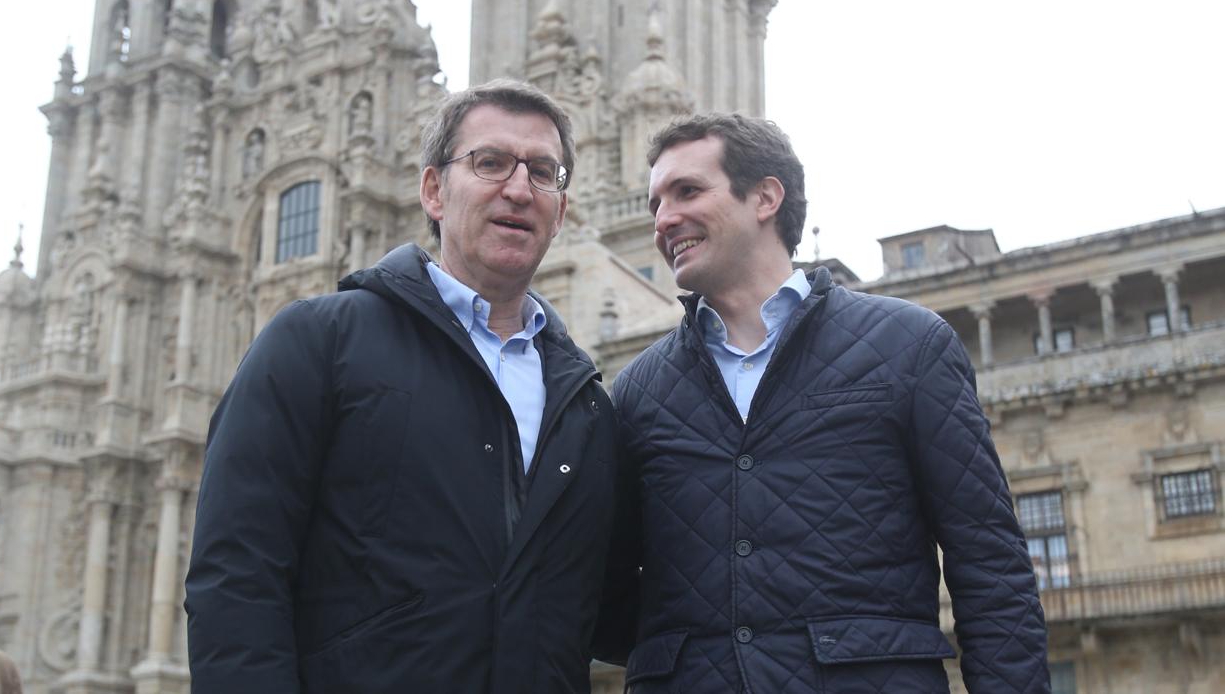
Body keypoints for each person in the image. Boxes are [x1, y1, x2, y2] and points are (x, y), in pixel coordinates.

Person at [186, 79, 619, 694]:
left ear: (562, 209)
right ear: (433, 191)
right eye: (490, 163)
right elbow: (236, 575)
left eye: (543, 172)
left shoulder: (586, 404)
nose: (519, 189)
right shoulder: (317, 341)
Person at [595, 114, 1051, 693]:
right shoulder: (638, 390)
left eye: (687, 191)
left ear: (765, 197)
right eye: (655, 201)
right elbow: (607, 586)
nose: (664, 218)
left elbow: (990, 565)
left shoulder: (907, 346)